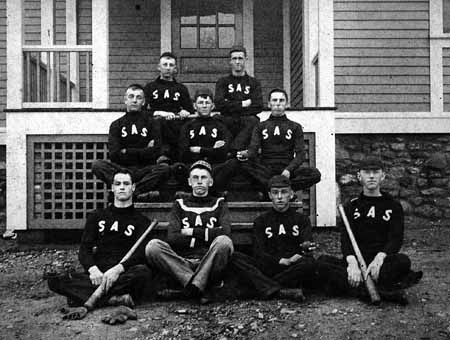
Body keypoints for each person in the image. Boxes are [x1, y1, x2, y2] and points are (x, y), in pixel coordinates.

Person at [47, 170, 154, 321]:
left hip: (123, 273)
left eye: (126, 184)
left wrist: (118, 269)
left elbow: (140, 254)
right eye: (118, 184)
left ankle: (82, 297)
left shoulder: (141, 221)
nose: (122, 187)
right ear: (112, 188)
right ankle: (114, 300)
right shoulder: (97, 216)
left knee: (143, 273)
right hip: (98, 274)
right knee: (56, 278)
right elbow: (85, 249)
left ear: (133, 187)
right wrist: (93, 270)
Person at [317, 157, 423, 305]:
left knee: (403, 261)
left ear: (383, 176)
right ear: (359, 176)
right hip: (357, 261)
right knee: (322, 262)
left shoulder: (393, 206)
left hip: (380, 262)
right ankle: (384, 292)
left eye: (375, 172)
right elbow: (346, 240)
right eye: (367, 172)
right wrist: (352, 263)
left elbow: (396, 239)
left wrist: (380, 258)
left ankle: (357, 288)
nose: (371, 176)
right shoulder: (351, 206)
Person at [145, 160, 234, 304]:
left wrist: (191, 232)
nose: (199, 182)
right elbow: (172, 236)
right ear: (189, 182)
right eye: (195, 178)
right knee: (153, 246)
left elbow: (225, 232)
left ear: (210, 182)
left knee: (224, 242)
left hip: (208, 260)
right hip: (182, 262)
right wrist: (208, 234)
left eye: (203, 178)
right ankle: (199, 285)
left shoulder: (219, 203)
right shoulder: (179, 204)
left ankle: (189, 287)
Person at [229, 175, 319, 301]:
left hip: (292, 268)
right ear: (270, 195)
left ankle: (264, 288)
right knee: (235, 258)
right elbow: (258, 252)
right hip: (269, 267)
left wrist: (306, 249)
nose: (280, 197)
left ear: (291, 193)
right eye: (275, 193)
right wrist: (280, 261)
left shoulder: (301, 219)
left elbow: (306, 246)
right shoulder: (261, 221)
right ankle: (281, 291)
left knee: (310, 264)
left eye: (284, 192)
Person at [225, 88, 321, 194]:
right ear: (269, 104)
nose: (278, 104)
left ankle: (282, 187)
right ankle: (281, 187)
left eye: (281, 100)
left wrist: (288, 170)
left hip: (287, 168)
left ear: (287, 104)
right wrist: (245, 154)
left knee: (314, 174)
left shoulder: (295, 127)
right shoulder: (260, 126)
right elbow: (253, 150)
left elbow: (301, 155)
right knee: (241, 165)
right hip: (266, 169)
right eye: (274, 100)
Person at [92, 84, 170, 200]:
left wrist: (126, 151)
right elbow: (114, 155)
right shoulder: (116, 125)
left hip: (145, 169)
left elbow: (156, 152)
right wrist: (145, 150)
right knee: (97, 165)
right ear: (125, 100)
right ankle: (135, 191)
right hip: (122, 170)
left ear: (143, 102)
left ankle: (133, 192)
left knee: (164, 168)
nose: (134, 100)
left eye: (138, 97)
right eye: (131, 97)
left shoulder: (152, 123)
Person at [176, 88, 234, 192]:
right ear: (194, 106)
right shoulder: (187, 126)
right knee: (178, 167)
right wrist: (212, 150)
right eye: (200, 103)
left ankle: (216, 192)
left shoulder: (220, 126)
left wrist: (200, 150)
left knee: (231, 164)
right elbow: (183, 152)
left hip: (214, 165)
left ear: (213, 106)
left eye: (207, 103)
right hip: (193, 165)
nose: (204, 105)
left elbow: (224, 151)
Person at [144, 52, 195, 162]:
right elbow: (143, 111)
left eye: (171, 65)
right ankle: (162, 157)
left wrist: (184, 112)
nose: (168, 68)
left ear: (175, 68)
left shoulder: (181, 88)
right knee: (158, 122)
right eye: (165, 65)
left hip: (176, 124)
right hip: (157, 124)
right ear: (159, 67)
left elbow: (190, 109)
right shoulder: (150, 87)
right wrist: (159, 113)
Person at [215, 45, 263, 153]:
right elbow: (219, 104)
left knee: (254, 120)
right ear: (230, 61)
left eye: (240, 58)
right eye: (234, 59)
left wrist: (230, 104)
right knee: (217, 119)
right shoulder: (223, 82)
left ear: (245, 60)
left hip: (246, 120)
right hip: (228, 119)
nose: (237, 62)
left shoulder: (254, 82)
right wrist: (243, 104)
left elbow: (258, 106)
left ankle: (233, 149)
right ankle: (229, 149)